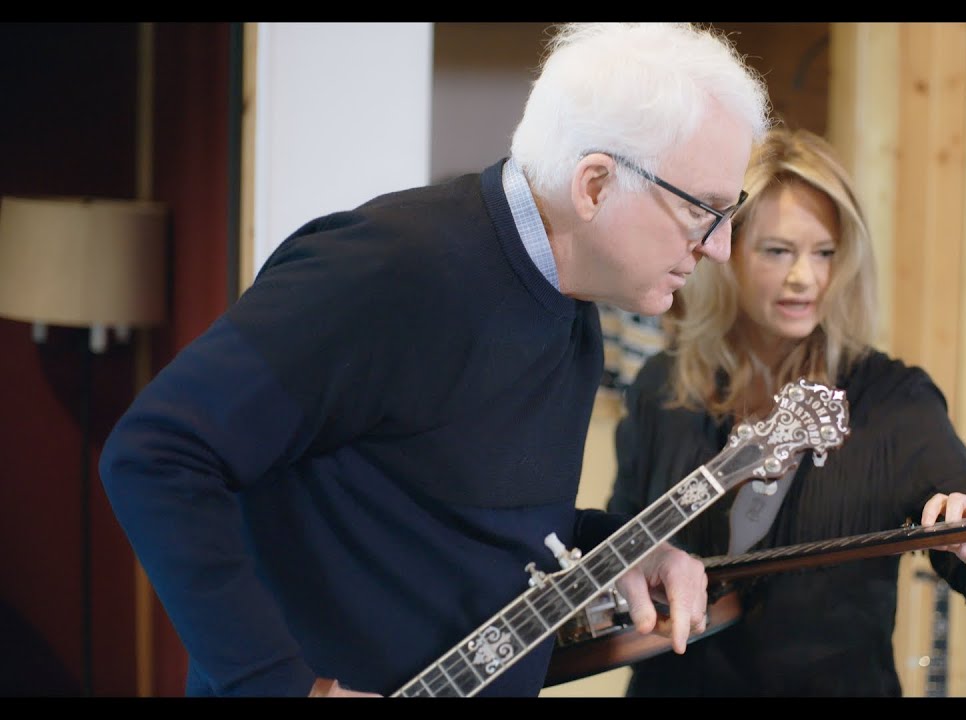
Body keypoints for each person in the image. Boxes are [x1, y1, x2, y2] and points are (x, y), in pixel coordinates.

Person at [98, 22, 772, 698]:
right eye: (703, 211)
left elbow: (475, 522)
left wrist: (623, 553)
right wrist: (283, 687)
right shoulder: (389, 272)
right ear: (594, 185)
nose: (718, 247)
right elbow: (157, 452)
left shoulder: (571, 306)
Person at [606, 126, 966, 697]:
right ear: (727, 252)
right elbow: (622, 535)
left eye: (825, 253)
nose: (806, 278)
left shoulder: (895, 401)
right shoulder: (663, 388)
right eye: (778, 251)